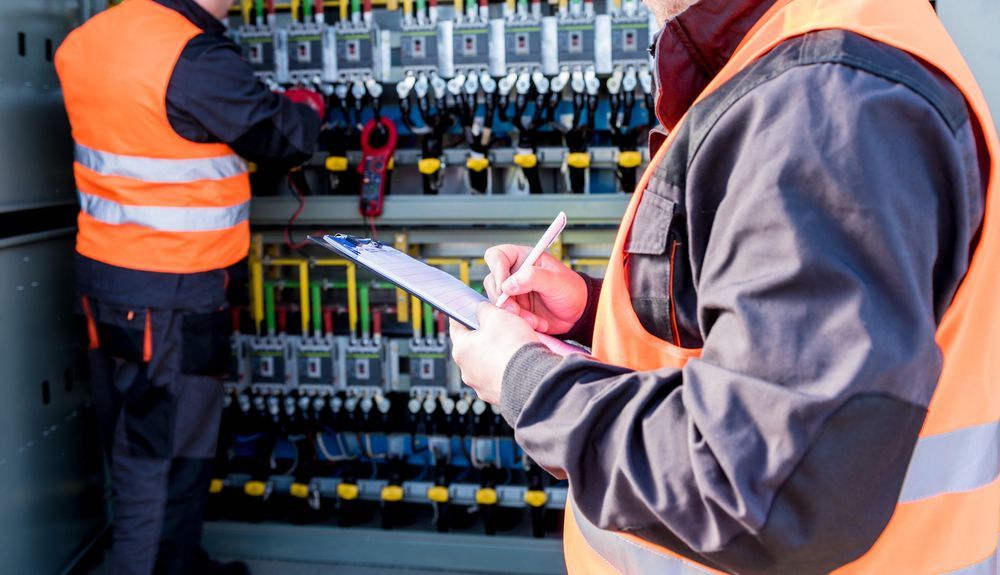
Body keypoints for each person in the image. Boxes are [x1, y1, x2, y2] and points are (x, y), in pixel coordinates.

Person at [451, 0, 999, 573]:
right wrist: (590, 313)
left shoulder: (823, 95)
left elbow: (766, 486)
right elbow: (782, 343)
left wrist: (530, 384)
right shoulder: (801, 67)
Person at [55, 0, 323, 573]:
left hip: (108, 277)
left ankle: (178, 561)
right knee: (162, 458)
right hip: (171, 293)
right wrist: (307, 107)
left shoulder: (86, 38)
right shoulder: (188, 54)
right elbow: (283, 138)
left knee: (140, 443)